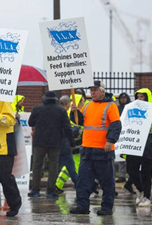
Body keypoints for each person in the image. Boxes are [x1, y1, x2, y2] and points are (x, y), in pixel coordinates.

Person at [70, 81, 121, 216]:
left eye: (95, 90)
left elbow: (116, 125)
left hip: (103, 149)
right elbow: (79, 122)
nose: (92, 92)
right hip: (87, 149)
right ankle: (82, 206)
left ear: (102, 91)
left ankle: (106, 208)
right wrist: (74, 112)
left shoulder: (111, 106)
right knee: (83, 181)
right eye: (91, 90)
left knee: (107, 182)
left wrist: (110, 141)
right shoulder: (87, 105)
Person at [27, 91, 75, 198]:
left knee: (37, 166)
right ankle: (51, 191)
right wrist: (72, 142)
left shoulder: (37, 109)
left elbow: (31, 123)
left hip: (39, 142)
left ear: (44, 99)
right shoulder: (61, 111)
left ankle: (35, 190)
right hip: (55, 142)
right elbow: (67, 128)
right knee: (53, 165)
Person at [126, 88, 152, 207]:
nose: (139, 99)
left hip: (149, 144)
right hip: (134, 143)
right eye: (138, 97)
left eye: (142, 97)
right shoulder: (131, 109)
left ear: (147, 98)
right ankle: (140, 189)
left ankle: (147, 197)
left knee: (147, 172)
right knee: (131, 169)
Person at [55, 95, 78, 192]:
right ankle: (78, 186)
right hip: (64, 145)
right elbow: (67, 129)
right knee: (71, 167)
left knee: (56, 167)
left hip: (54, 145)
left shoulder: (54, 112)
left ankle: (53, 187)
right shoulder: (63, 113)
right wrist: (75, 131)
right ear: (68, 104)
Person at [115, 92, 131, 183]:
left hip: (129, 135)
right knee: (120, 157)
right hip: (120, 135)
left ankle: (131, 176)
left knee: (129, 157)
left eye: (124, 98)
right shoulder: (117, 109)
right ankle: (122, 175)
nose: (123, 100)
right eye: (121, 98)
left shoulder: (131, 108)